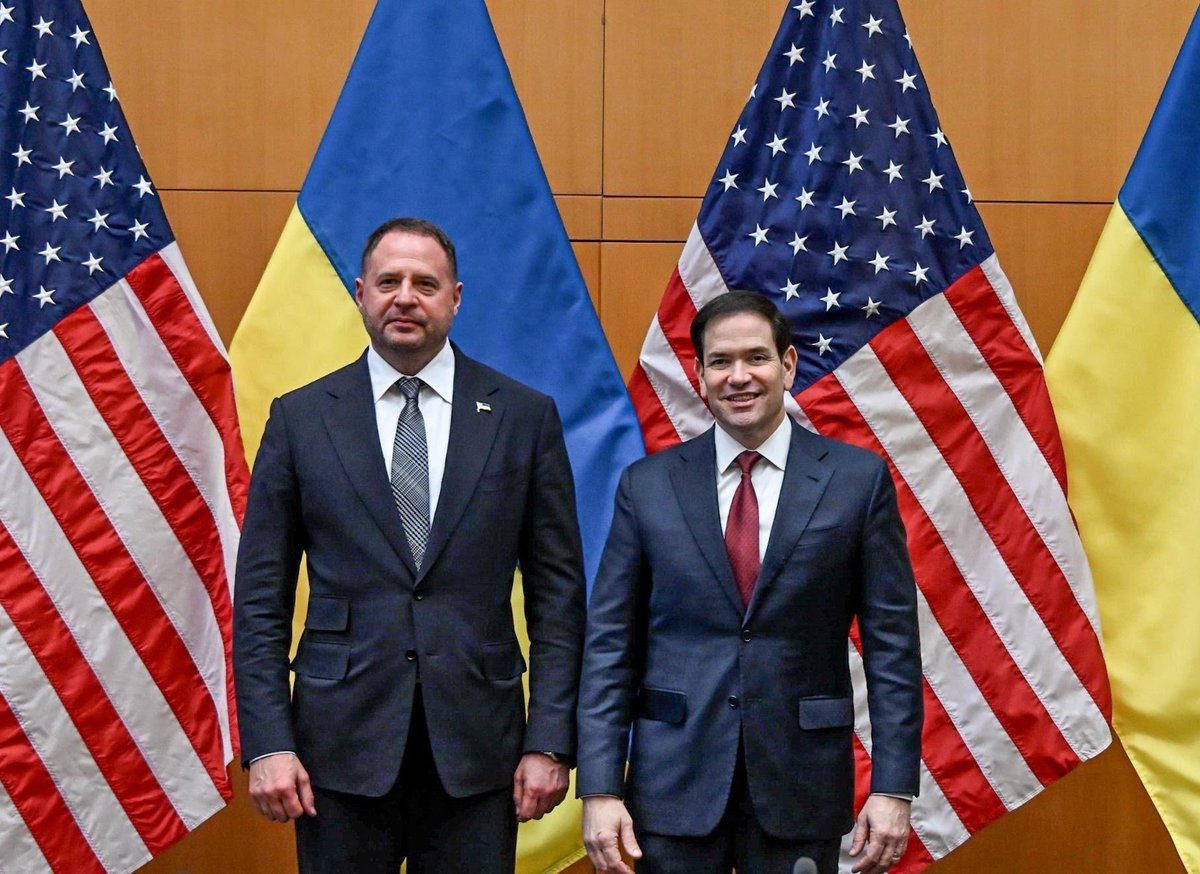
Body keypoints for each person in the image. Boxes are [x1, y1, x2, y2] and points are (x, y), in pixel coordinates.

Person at [233, 217, 585, 873]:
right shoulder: (301, 418)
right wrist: (268, 743)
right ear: (361, 292)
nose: (405, 297)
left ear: (455, 298)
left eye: (426, 283)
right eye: (389, 281)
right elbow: (259, 601)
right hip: (336, 752)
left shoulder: (522, 417)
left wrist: (552, 742)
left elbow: (559, 601)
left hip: (480, 754)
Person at [576, 291, 923, 874]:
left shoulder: (855, 481)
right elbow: (611, 644)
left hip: (801, 784)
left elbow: (892, 645)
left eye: (757, 358)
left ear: (787, 365)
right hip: (673, 788)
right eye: (720, 362)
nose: (739, 377)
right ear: (700, 374)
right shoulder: (648, 485)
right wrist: (602, 788)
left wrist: (893, 788)